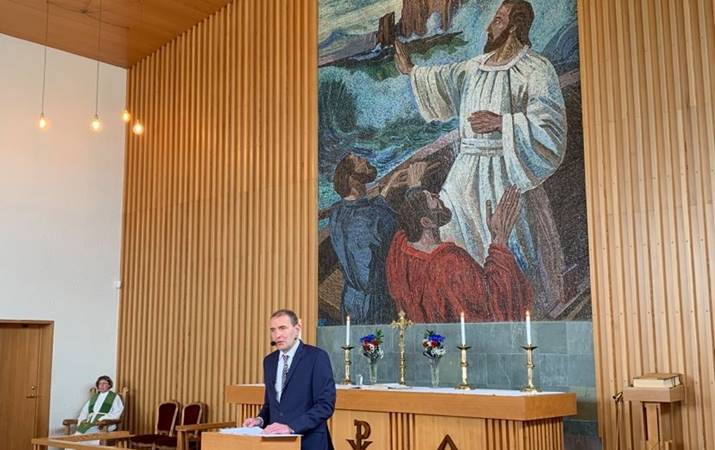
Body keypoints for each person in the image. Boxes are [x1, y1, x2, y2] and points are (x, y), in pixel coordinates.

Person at [394, 0, 566, 315]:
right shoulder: (477, 66)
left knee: (510, 246)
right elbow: (445, 77)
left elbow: (550, 129)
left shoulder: (536, 69)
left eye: (497, 20)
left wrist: (502, 123)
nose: (489, 27)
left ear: (515, 26)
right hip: (464, 176)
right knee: (455, 247)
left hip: (508, 171)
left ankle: (516, 315)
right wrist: (412, 72)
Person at [386, 185, 532, 322]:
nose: (437, 196)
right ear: (426, 222)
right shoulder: (450, 262)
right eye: (432, 199)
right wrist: (499, 241)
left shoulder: (400, 249)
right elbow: (491, 307)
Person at [243, 309, 336, 450]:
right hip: (277, 444)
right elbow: (270, 405)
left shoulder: (317, 357)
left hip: (310, 442)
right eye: (273, 330)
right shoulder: (269, 362)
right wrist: (260, 420)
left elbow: (325, 405)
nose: (277, 335)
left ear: (297, 329)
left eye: (282, 328)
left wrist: (291, 427)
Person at [329, 153, 400, 324]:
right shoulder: (374, 217)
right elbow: (400, 229)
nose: (365, 160)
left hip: (350, 300)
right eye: (360, 161)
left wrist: (384, 192)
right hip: (376, 303)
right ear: (353, 180)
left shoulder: (336, 211)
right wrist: (414, 186)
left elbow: (362, 212)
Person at [74, 375, 124, 441]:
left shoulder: (114, 397)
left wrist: (102, 419)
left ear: (109, 385)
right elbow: (84, 411)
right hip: (90, 423)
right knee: (75, 437)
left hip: (105, 425)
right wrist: (82, 420)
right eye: (100, 383)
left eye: (104, 383)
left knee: (85, 438)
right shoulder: (94, 397)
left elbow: (117, 412)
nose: (101, 385)